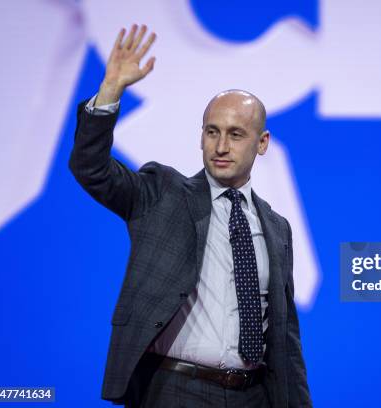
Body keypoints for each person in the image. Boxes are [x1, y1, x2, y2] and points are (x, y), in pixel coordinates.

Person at [68, 24, 312, 407]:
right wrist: (110, 92)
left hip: (255, 395)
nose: (220, 146)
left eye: (235, 134)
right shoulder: (162, 193)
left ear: (261, 143)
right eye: (212, 132)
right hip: (175, 389)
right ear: (200, 136)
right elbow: (91, 169)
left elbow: (284, 336)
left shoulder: (276, 227)